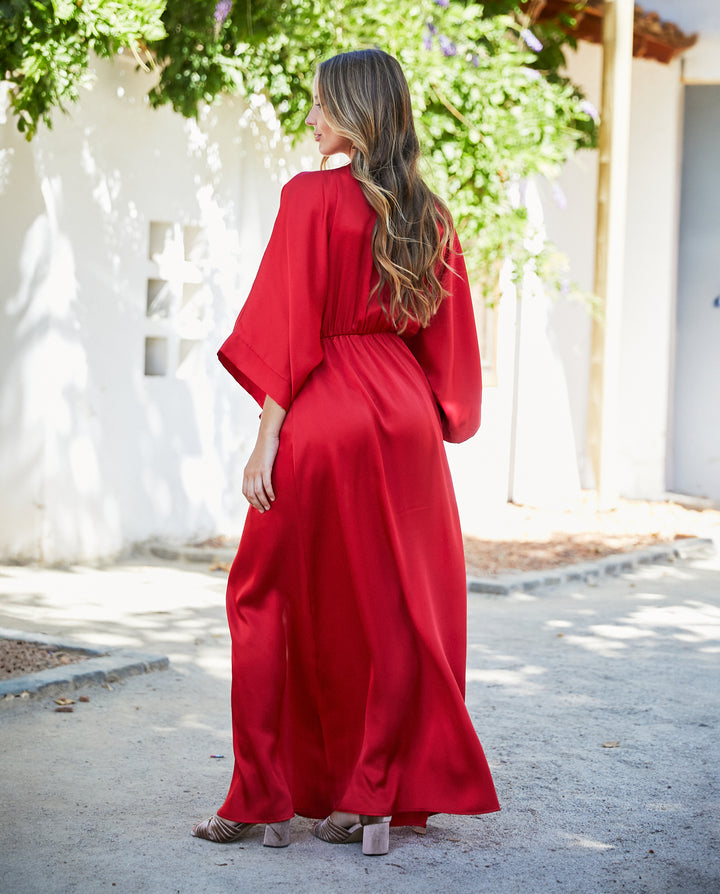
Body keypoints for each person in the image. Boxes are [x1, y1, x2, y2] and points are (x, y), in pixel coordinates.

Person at [191, 48, 499, 857]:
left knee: (264, 595)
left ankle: (260, 796)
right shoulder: (428, 216)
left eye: (323, 105)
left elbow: (290, 332)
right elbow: (456, 373)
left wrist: (266, 442)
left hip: (322, 413)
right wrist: (414, 409)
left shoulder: (309, 198)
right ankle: (369, 798)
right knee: (393, 608)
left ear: (359, 113)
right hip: (402, 426)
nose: (311, 119)